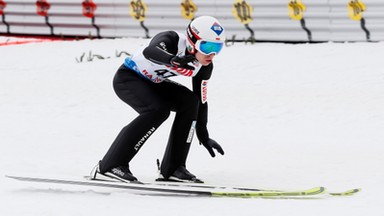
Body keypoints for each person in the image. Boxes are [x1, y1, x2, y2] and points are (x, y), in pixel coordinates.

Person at [90, 16, 225, 183]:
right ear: (192, 41)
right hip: (128, 78)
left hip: (154, 83)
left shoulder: (204, 66)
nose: (212, 54)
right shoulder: (171, 40)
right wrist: (172, 60)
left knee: (190, 102)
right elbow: (150, 51)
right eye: (208, 46)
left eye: (217, 48)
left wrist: (203, 134)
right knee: (158, 111)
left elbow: (201, 100)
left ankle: (173, 168)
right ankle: (110, 166)